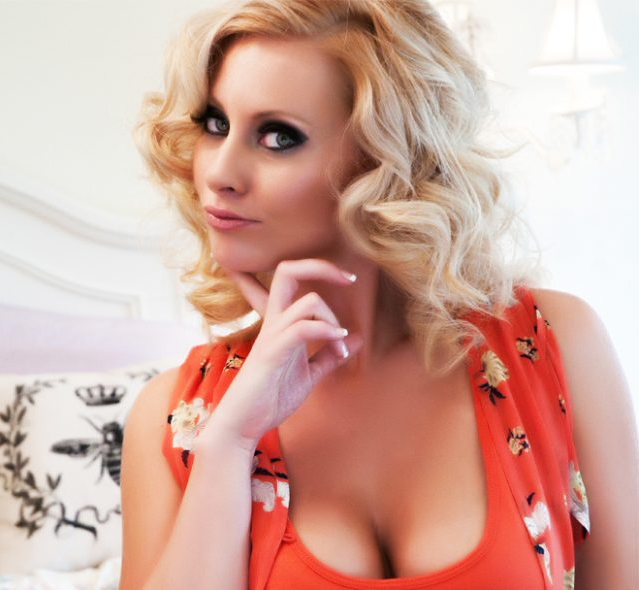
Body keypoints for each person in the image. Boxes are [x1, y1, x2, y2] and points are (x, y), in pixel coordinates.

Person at [119, 1, 639, 589]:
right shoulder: (176, 419)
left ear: (384, 159)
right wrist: (229, 446)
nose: (219, 172)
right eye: (216, 124)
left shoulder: (552, 348)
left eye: (278, 137)